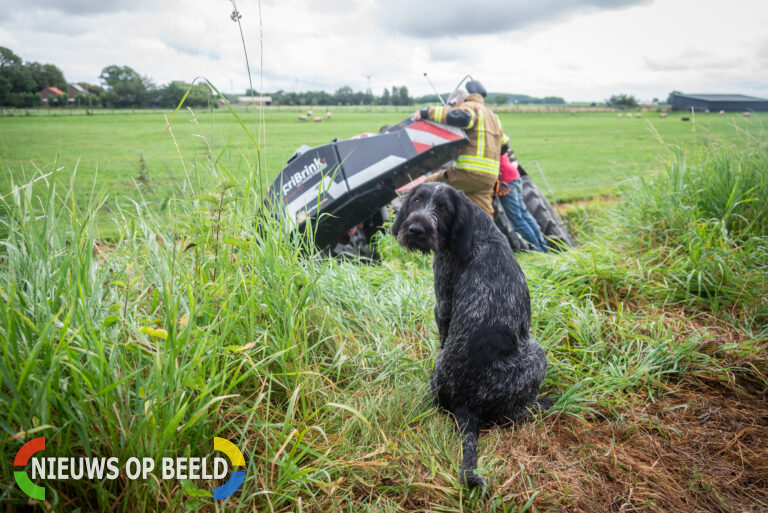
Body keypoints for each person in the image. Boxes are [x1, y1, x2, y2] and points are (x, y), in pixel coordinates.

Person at [411, 80, 509, 218]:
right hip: (488, 178)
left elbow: (463, 117)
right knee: (484, 218)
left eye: (452, 106)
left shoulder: (470, 107)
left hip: (467, 173)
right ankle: (486, 239)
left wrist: (427, 112)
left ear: (458, 101)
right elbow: (505, 145)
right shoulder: (493, 117)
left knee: (425, 187)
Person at [498, 151, 548, 252]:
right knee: (524, 214)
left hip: (506, 180)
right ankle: (543, 246)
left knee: (517, 219)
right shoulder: (496, 140)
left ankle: (537, 250)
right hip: (515, 176)